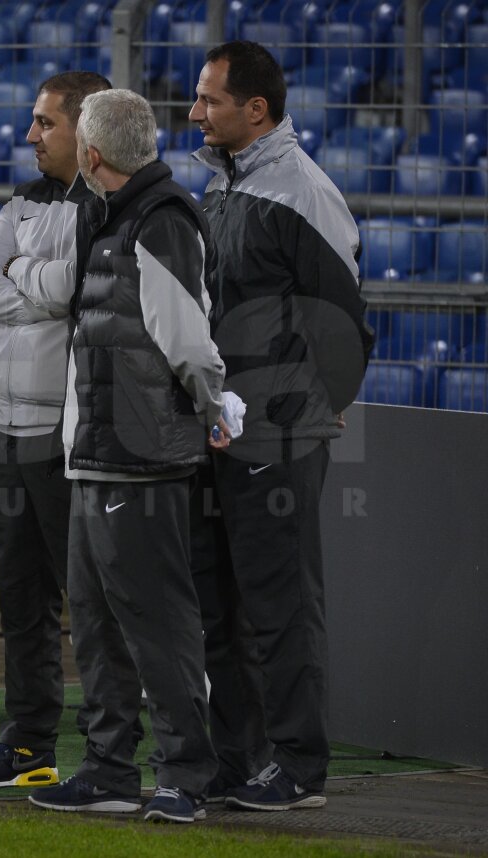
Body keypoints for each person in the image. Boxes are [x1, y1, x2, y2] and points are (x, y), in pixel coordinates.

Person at [27, 88, 229, 824]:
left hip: (140, 457)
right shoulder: (111, 214)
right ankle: (109, 771)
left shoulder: (161, 219)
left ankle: (184, 775)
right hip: (98, 453)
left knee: (157, 620)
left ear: (92, 153)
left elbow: (190, 343)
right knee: (97, 619)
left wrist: (213, 409)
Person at [187, 41, 374, 810]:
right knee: (219, 608)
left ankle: (298, 767)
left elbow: (346, 321)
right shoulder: (222, 190)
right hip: (219, 429)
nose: (195, 112)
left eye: (209, 100)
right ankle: (239, 760)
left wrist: (307, 411)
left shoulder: (303, 192)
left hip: (276, 435)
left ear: (254, 109)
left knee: (281, 606)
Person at [0, 71, 111, 790]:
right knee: (22, 596)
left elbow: (76, 287)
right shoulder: (21, 201)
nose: (29, 135)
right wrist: (31, 293)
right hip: (5, 427)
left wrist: (20, 281)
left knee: (92, 598)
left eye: (44, 123)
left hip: (66, 434)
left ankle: (114, 748)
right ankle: (29, 743)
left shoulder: (111, 206)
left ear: (86, 130)